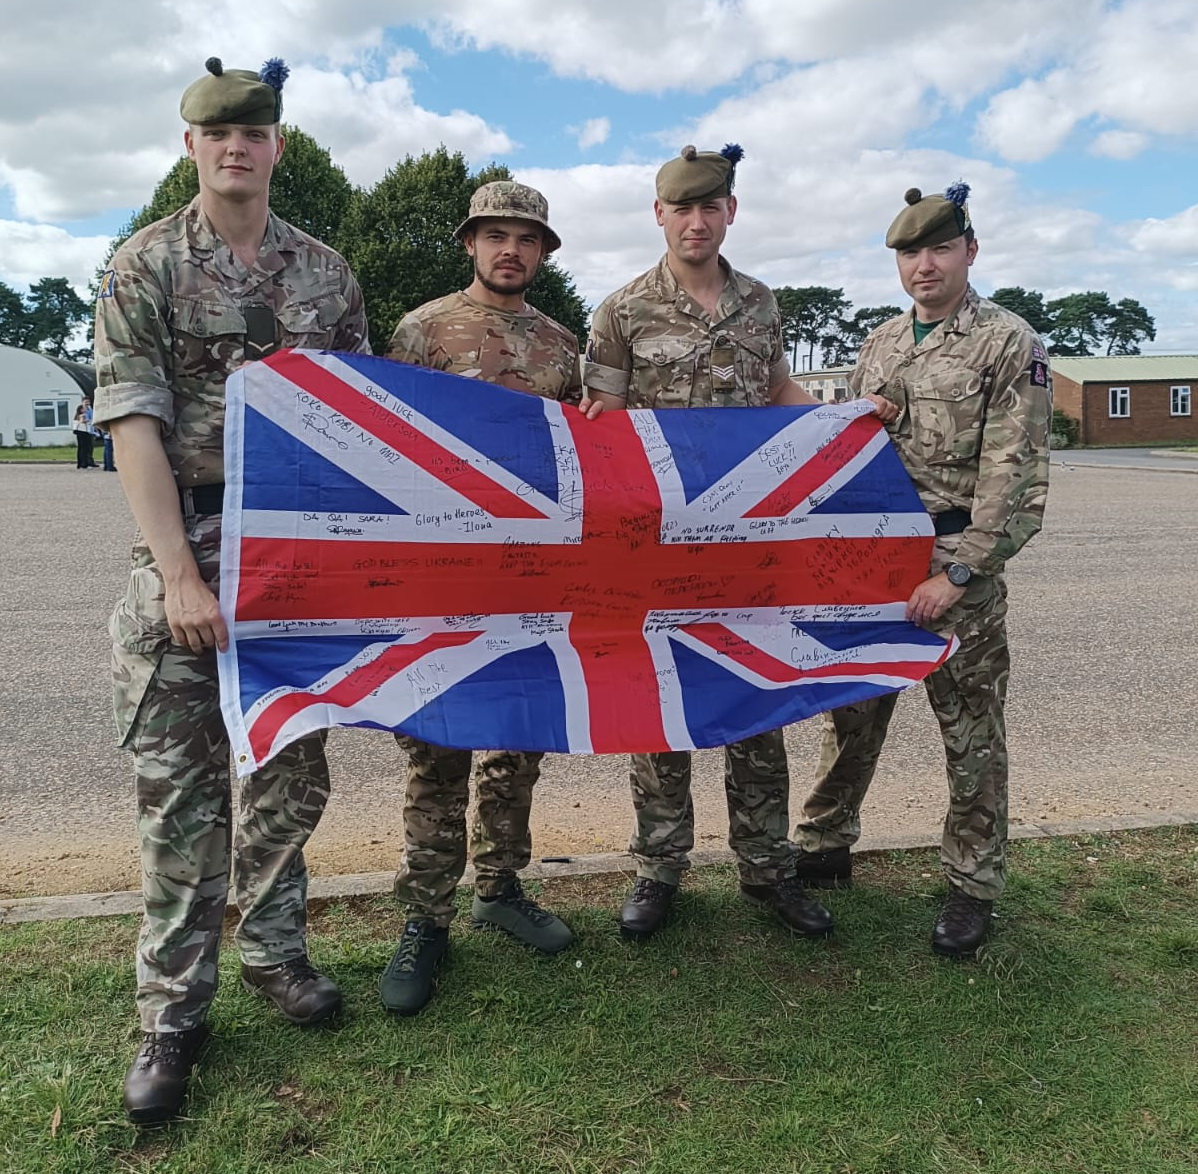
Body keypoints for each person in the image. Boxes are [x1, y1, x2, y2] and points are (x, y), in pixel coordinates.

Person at [93, 56, 369, 1124]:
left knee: (292, 777)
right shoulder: (146, 264)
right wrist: (177, 574)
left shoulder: (325, 272)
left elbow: (358, 419)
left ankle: (275, 953)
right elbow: (133, 426)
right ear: (193, 146)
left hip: (297, 561)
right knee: (181, 795)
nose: (237, 147)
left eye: (255, 132)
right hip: (188, 553)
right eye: (218, 133)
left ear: (278, 146)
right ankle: (171, 1011)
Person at [583, 145, 896, 942]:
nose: (696, 221)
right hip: (657, 551)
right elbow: (604, 428)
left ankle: (767, 868)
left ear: (730, 212)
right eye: (681, 208)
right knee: (661, 710)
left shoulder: (760, 303)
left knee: (758, 699)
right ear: (659, 215)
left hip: (750, 550)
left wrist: (846, 419)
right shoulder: (621, 311)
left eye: (709, 206)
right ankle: (659, 869)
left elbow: (780, 391)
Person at [791, 183, 1051, 957]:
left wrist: (961, 572)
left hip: (953, 570)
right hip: (873, 565)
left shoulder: (1010, 343)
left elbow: (1019, 477)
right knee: (850, 717)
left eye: (939, 248)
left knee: (969, 734)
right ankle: (825, 843)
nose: (924, 265)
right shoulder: (882, 343)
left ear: (970, 250)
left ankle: (972, 884)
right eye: (910, 252)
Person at [378, 180, 605, 1015]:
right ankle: (426, 916)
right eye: (495, 235)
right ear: (469, 243)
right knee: (437, 746)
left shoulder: (560, 344)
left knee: (517, 741)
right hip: (443, 577)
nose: (510, 249)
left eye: (526, 237)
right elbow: (385, 445)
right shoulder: (423, 330)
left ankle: (499, 886)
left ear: (543, 252)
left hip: (533, 579)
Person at [72, 401, 97, 468]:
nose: (85, 409)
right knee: (84, 448)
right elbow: (81, 421)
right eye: (84, 408)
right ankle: (84, 463)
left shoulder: (77, 416)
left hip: (80, 432)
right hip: (83, 432)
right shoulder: (82, 415)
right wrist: (88, 421)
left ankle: (81, 463)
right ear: (81, 410)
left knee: (81, 448)